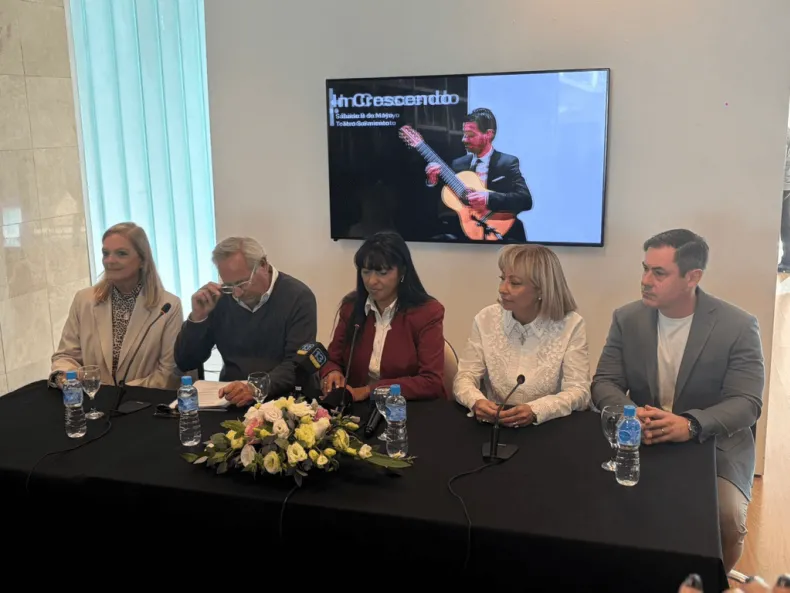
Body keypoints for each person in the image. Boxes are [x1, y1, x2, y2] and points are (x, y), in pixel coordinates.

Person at [592, 229, 764, 573]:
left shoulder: (738, 325)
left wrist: (691, 424)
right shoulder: (626, 318)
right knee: (594, 500)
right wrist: (632, 415)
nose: (645, 281)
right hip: (642, 437)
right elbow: (604, 382)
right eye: (645, 269)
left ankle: (712, 581)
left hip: (714, 443)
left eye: (659, 273)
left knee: (727, 518)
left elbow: (747, 402)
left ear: (692, 277)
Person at [454, 244, 590, 426]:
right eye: (502, 279)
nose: (502, 289)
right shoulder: (486, 318)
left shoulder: (571, 324)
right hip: (495, 423)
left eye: (515, 283)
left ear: (541, 289)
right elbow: (465, 376)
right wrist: (476, 401)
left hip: (549, 426)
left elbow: (579, 391)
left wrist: (537, 410)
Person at [174, 237, 317, 406]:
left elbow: (296, 365)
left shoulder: (298, 297)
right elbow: (186, 362)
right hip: (232, 399)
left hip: (284, 400)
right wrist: (198, 318)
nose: (237, 293)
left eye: (242, 283)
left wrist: (255, 387)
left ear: (263, 265)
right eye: (229, 285)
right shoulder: (221, 298)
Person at [50, 222, 183, 390]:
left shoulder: (167, 307)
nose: (110, 261)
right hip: (93, 399)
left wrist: (116, 395)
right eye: (106, 253)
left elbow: (167, 375)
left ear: (142, 260)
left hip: (143, 401)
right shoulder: (84, 300)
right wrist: (65, 377)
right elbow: (65, 356)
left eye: (121, 254)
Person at [320, 231, 446, 401]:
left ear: (402, 272)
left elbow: (431, 382)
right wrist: (332, 371)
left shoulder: (427, 313)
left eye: (382, 273)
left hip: (409, 407)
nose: (371, 281)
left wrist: (369, 391)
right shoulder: (351, 308)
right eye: (366, 272)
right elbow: (332, 359)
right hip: (357, 407)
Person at [426, 107, 533, 242]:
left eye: (470, 135)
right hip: (464, 235)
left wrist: (487, 198)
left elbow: (525, 200)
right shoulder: (458, 164)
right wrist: (432, 182)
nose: (464, 139)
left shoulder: (507, 163)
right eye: (464, 134)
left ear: (489, 134)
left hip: (504, 235)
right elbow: (442, 207)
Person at [779, 128, 790, 273]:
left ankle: (787, 261)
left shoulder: (785, 133)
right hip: (779, 186)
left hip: (785, 187)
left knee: (786, 224)